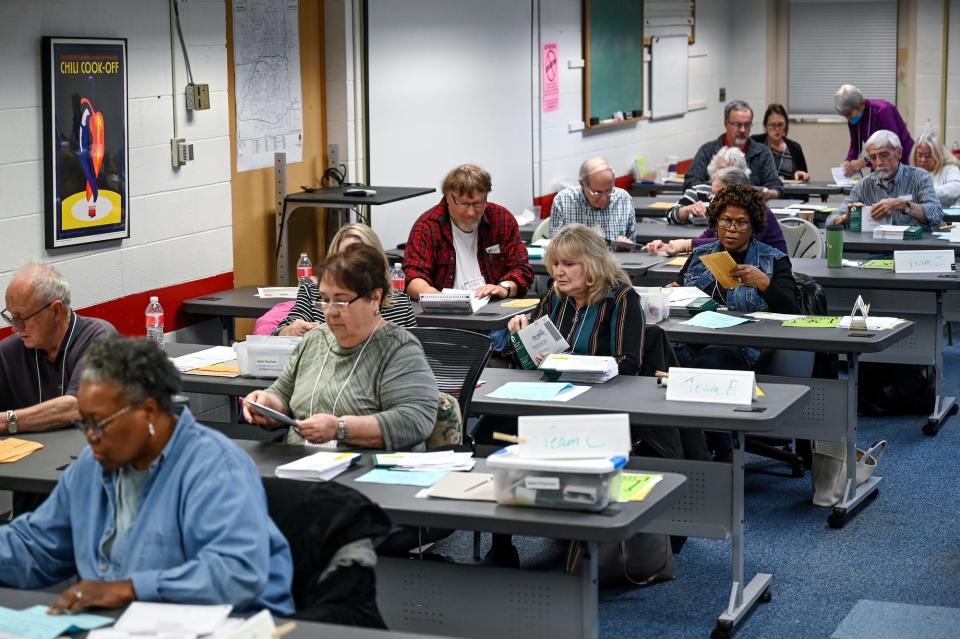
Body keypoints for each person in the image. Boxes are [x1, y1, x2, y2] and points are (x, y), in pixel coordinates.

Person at [0, 337, 294, 615]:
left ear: (149, 412)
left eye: (100, 424)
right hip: (123, 625)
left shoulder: (214, 468)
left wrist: (130, 589)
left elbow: (236, 572)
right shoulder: (92, 466)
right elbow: (36, 545)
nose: (90, 438)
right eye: (84, 424)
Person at [244, 244, 438, 449]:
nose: (330, 312)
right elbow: (282, 393)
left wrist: (340, 429)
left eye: (341, 302)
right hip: (301, 464)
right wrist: (266, 404)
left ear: (375, 297)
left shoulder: (399, 350)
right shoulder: (315, 339)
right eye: (325, 300)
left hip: (366, 471)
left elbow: (414, 421)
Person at [508, 223, 644, 373]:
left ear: (593, 264)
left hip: (600, 392)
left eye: (568, 264)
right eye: (555, 264)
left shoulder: (621, 298)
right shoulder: (554, 294)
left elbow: (627, 365)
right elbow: (525, 363)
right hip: (552, 388)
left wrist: (567, 363)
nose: (558, 272)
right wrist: (521, 337)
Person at [0, 261, 116, 434]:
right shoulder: (10, 350)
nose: (15, 328)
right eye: (11, 317)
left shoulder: (99, 338)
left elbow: (77, 407)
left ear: (56, 311)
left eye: (22, 318)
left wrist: (7, 422)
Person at [403, 164, 533, 301]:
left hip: (494, 307)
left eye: (478, 204)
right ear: (448, 197)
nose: (471, 212)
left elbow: (522, 269)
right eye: (464, 204)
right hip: (443, 313)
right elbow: (412, 276)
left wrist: (504, 288)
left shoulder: (502, 219)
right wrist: (439, 299)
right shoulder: (427, 226)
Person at [272, 223, 416, 336]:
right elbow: (281, 331)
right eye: (344, 257)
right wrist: (291, 330)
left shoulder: (401, 304)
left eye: (359, 256)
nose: (351, 264)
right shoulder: (313, 293)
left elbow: (415, 352)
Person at [645, 167, 788, 256]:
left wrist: (687, 244)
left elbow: (728, 243)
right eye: (713, 195)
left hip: (769, 271)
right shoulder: (724, 211)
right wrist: (668, 246)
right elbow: (707, 236)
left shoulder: (760, 212)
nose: (714, 200)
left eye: (718, 194)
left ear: (737, 191)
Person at [827, 130, 943, 231]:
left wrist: (903, 205)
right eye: (873, 157)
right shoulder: (865, 184)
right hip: (877, 250)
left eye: (884, 155)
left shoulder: (919, 177)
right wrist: (845, 218)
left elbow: (936, 213)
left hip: (912, 249)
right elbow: (831, 220)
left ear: (899, 153)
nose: (879, 163)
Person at [683, 100, 783, 199]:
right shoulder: (708, 151)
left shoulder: (762, 152)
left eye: (747, 125)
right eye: (737, 125)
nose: (743, 130)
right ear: (726, 124)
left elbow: (776, 187)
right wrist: (715, 190)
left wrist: (768, 194)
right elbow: (691, 183)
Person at [548, 157, 635, 242]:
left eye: (609, 191)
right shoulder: (563, 201)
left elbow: (632, 244)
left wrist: (626, 247)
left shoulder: (623, 199)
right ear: (582, 184)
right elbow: (555, 248)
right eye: (597, 193)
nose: (603, 199)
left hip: (614, 256)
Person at [835, 84, 914, 177]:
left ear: (861, 105)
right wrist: (848, 162)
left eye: (849, 114)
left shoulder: (883, 111)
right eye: (844, 115)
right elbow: (855, 146)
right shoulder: (853, 119)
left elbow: (892, 146)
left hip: (902, 159)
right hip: (879, 160)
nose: (848, 118)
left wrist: (864, 162)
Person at [667, 149, 749, 225]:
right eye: (722, 170)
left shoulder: (747, 197)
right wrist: (688, 209)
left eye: (731, 173)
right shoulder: (698, 190)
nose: (724, 175)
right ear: (714, 168)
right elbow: (670, 215)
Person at [750, 103, 809, 182]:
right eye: (773, 125)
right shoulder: (756, 142)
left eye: (781, 124)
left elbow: (804, 176)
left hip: (789, 192)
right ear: (765, 125)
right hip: (763, 191)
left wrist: (802, 175)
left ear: (786, 125)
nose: (777, 129)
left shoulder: (795, 147)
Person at [912, 131, 960, 208]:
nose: (923, 160)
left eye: (927, 156)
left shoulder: (949, 169)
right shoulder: (912, 173)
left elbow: (956, 187)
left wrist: (928, 192)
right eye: (920, 155)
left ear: (938, 155)